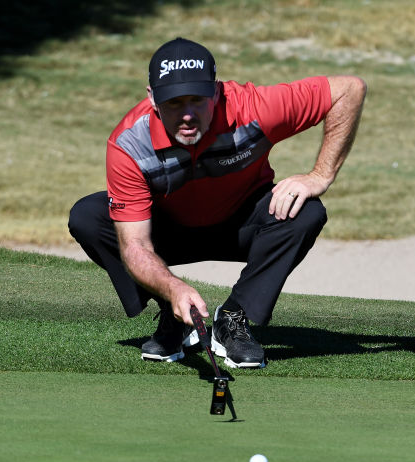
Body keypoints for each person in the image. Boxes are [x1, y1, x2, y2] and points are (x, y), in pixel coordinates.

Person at [68, 37, 366, 368]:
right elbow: (135, 246)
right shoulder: (130, 144)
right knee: (89, 216)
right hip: (168, 230)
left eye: (198, 100)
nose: (187, 115)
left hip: (242, 224)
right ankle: (175, 314)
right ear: (152, 98)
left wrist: (320, 176)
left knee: (305, 211)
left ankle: (232, 320)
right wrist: (172, 289)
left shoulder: (254, 108)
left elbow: (348, 90)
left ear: (216, 91)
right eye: (174, 103)